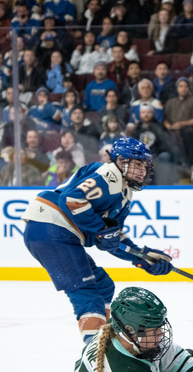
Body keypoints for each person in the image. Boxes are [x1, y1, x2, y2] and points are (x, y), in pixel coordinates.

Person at [21, 137, 171, 342]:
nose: (142, 171)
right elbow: (72, 199)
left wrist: (141, 257)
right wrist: (100, 228)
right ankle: (95, 353)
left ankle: (105, 340)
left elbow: (110, 237)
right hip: (51, 227)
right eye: (137, 165)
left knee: (103, 285)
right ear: (120, 161)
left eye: (145, 166)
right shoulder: (108, 174)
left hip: (57, 232)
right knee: (86, 292)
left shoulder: (125, 191)